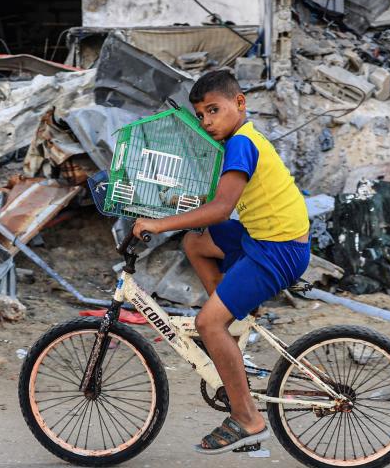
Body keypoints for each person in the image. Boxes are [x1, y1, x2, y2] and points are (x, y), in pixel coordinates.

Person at [132, 69, 310, 454]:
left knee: (205, 322)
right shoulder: (238, 140)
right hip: (262, 237)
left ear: (240, 103)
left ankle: (248, 419)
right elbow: (210, 205)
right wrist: (166, 206)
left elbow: (221, 208)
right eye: (200, 115)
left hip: (278, 249)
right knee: (196, 243)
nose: (207, 121)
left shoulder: (242, 144)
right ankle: (229, 325)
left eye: (214, 110)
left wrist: (160, 224)